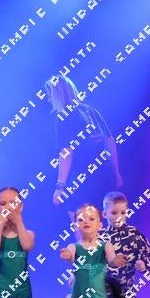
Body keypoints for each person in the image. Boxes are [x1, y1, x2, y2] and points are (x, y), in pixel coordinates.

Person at [44, 74, 123, 206]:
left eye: (50, 95)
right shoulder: (92, 110)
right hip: (106, 174)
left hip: (84, 180)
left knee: (79, 215)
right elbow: (110, 142)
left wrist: (60, 186)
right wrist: (116, 172)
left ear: (58, 94)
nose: (48, 99)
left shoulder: (64, 117)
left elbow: (66, 152)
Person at [60, 204, 125, 298]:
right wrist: (67, 255)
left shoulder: (105, 245)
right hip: (79, 297)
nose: (86, 221)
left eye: (91, 218)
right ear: (76, 225)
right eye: (81, 219)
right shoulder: (74, 246)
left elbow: (112, 260)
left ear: (99, 225)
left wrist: (117, 260)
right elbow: (70, 256)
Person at [99, 191, 150, 298]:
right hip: (105, 289)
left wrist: (143, 264)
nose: (119, 217)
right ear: (105, 214)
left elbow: (147, 254)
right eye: (114, 213)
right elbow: (89, 259)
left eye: (123, 212)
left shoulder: (134, 233)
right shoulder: (100, 236)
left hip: (127, 290)